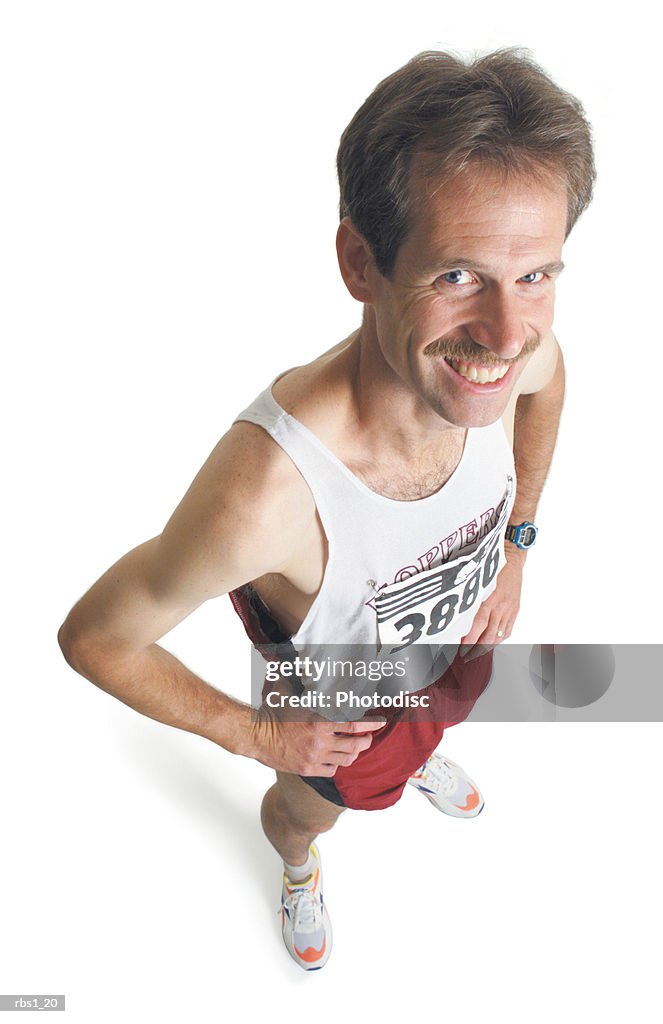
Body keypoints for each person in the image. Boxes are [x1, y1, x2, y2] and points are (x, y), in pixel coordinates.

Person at [57, 48, 595, 971]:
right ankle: (299, 863)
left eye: (536, 276)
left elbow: (547, 378)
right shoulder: (265, 493)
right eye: (457, 275)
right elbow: (95, 637)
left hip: (454, 636)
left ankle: (418, 750)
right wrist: (257, 731)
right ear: (361, 262)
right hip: (336, 701)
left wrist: (517, 542)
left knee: (443, 708)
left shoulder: (510, 351)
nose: (507, 336)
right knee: (308, 807)